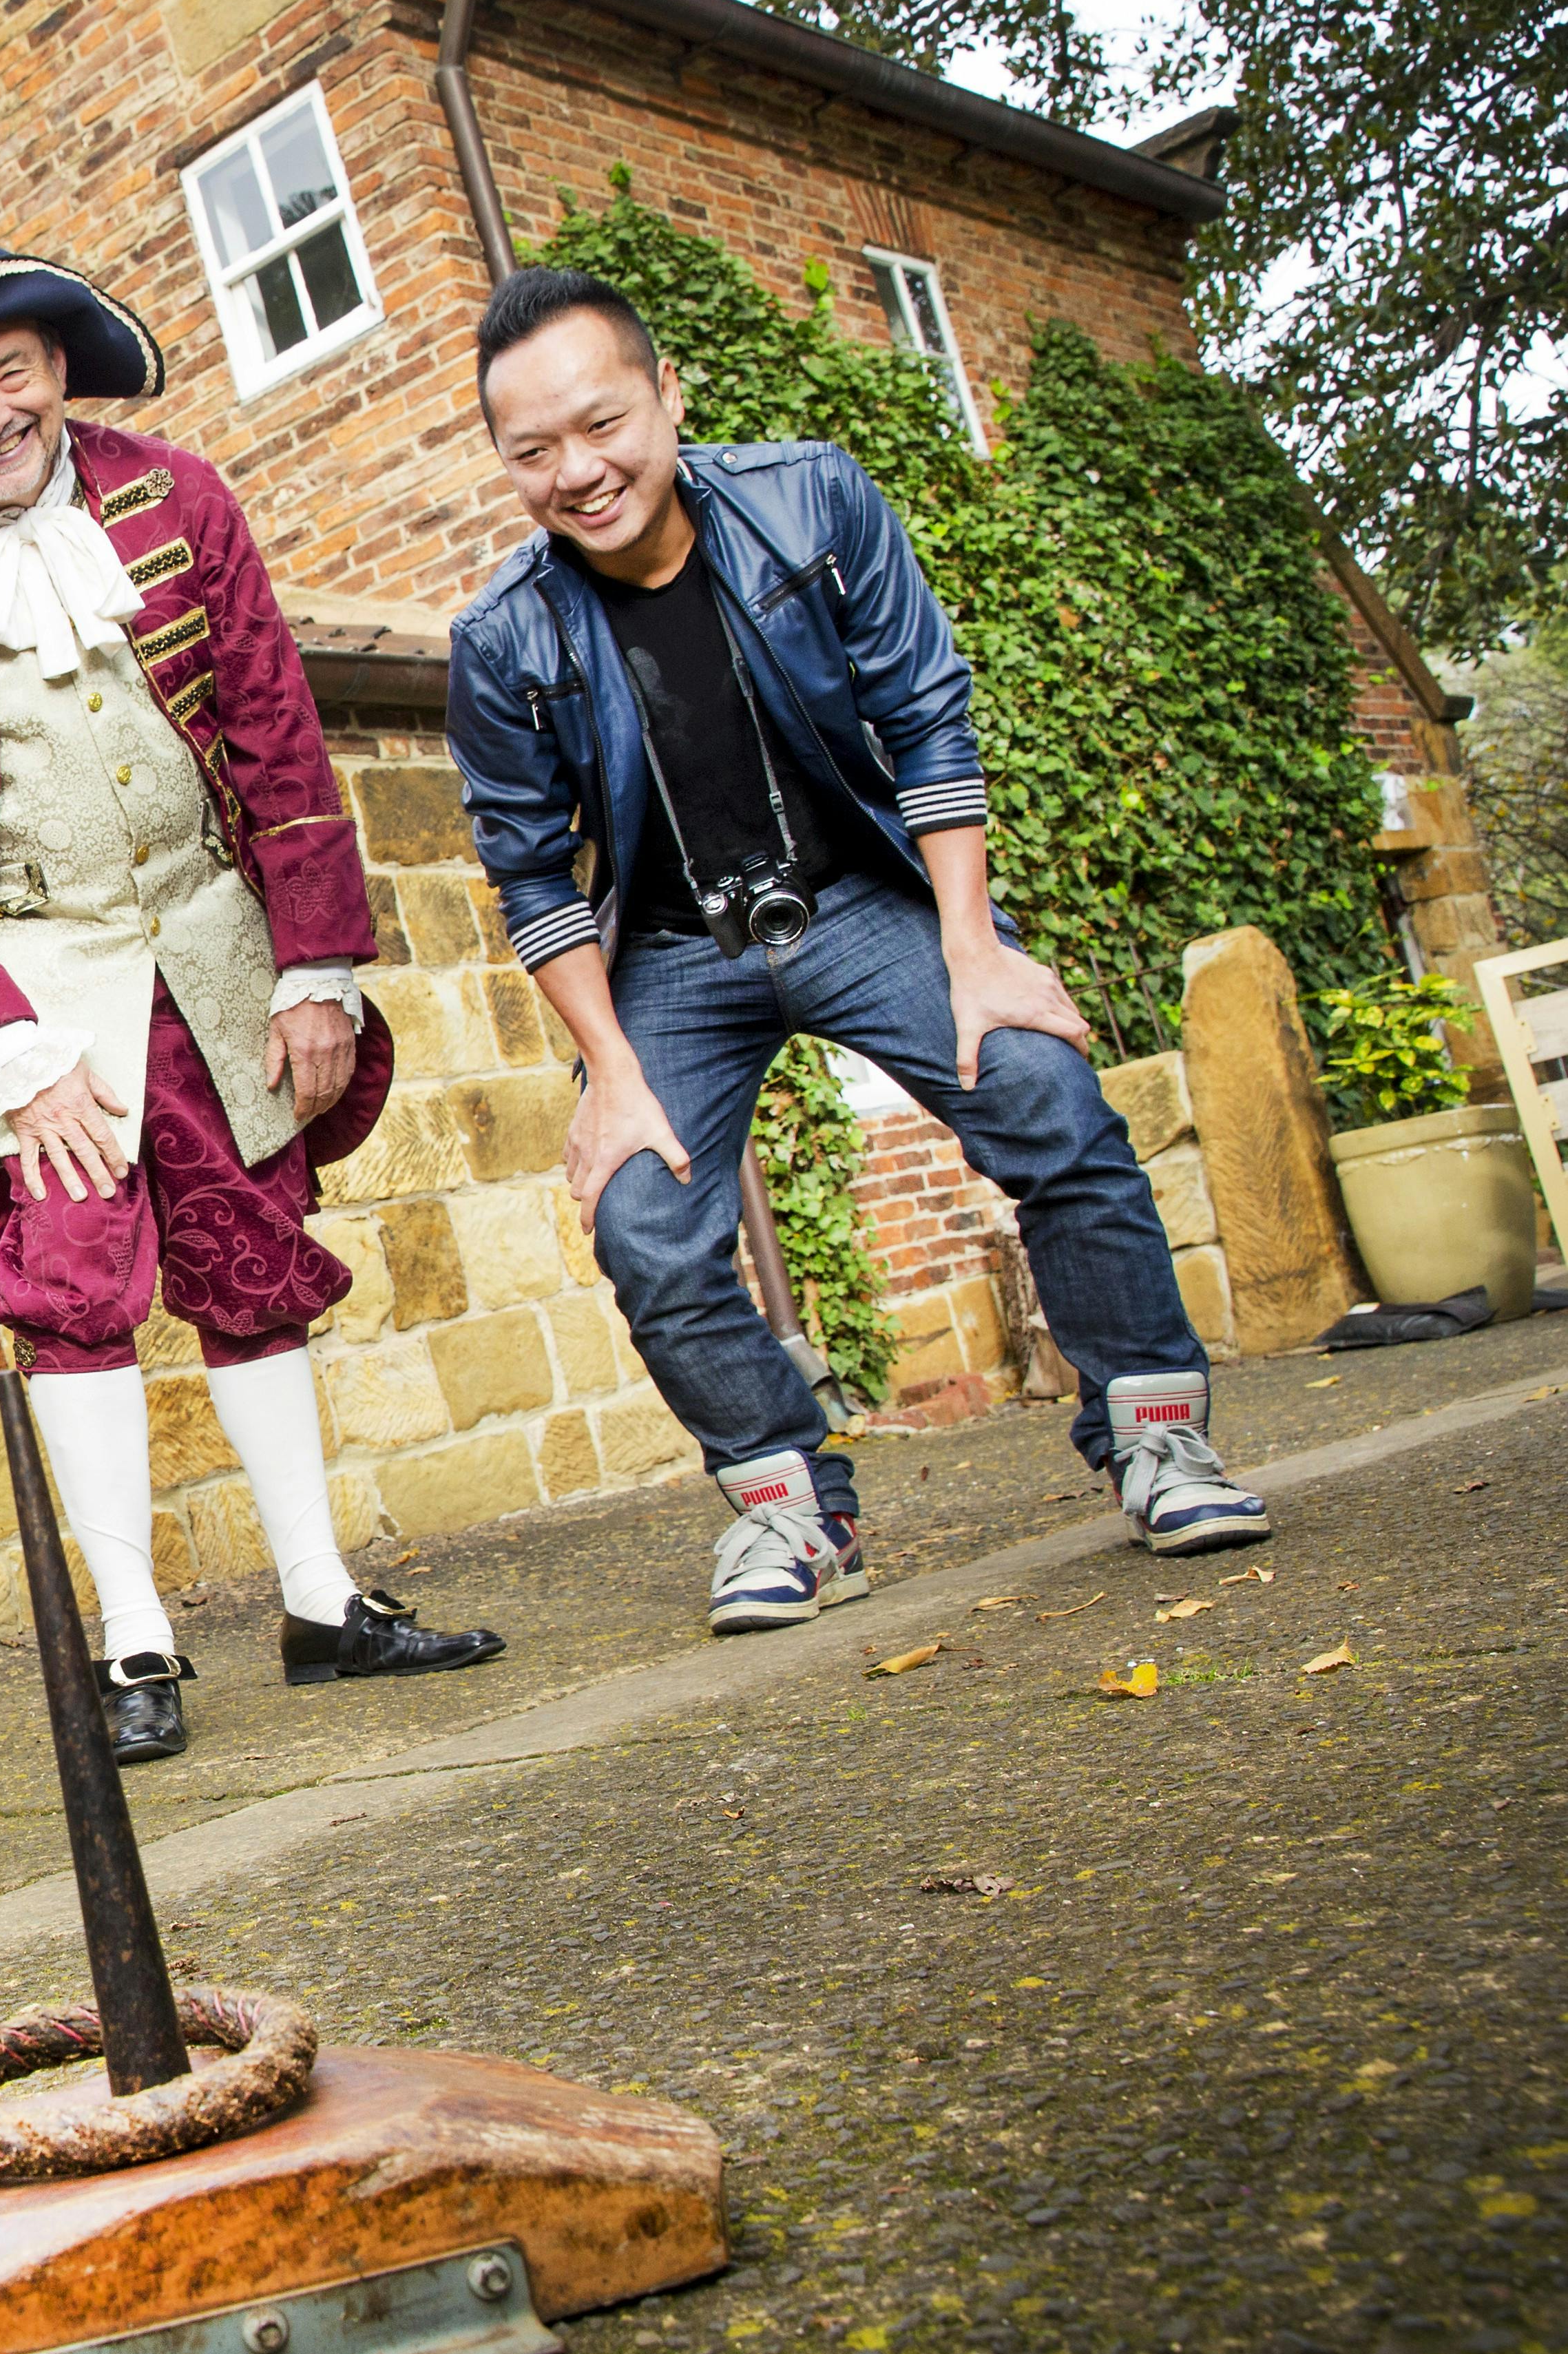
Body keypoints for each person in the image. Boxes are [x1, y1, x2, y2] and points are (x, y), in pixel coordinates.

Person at [445, 266, 1271, 1636]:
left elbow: (925, 717)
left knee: (1038, 1089)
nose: (576, 473)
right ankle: (791, 1514)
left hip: (856, 899)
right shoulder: (500, 635)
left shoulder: (808, 500)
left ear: (667, 396)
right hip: (667, 947)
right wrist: (609, 1071)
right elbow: (530, 869)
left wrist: (971, 948)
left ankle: (1153, 1436)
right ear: (504, 461)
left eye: (601, 424)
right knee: (643, 1216)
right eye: (531, 452)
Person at [0, 241, 504, 1767]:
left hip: (214, 943)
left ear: (57, 367)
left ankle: (319, 1601)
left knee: (250, 1254)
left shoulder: (182, 499)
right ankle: (134, 1638)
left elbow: (274, 730)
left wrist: (315, 965)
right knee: (68, 1283)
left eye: (8, 374)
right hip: (36, 983)